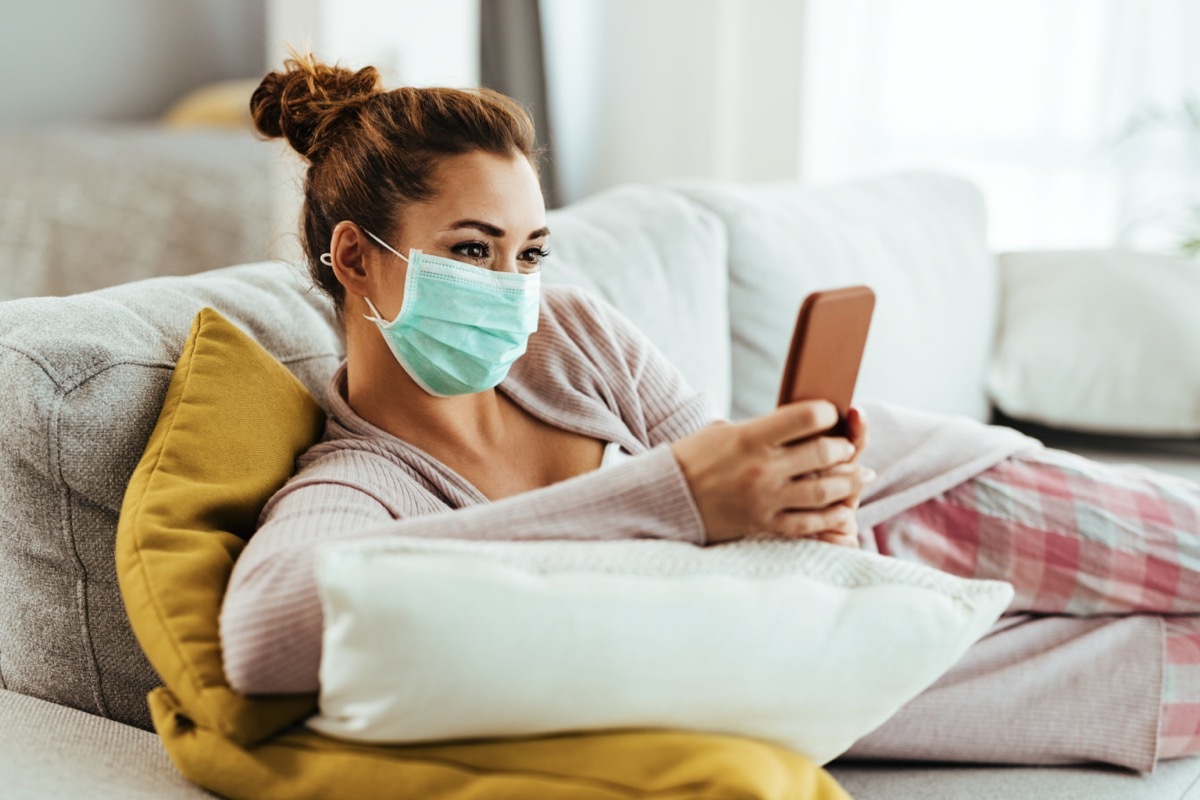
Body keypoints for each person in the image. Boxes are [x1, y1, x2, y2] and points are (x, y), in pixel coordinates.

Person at [221, 54, 1200, 770]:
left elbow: (722, 457)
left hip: (913, 499)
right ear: (355, 259)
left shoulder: (565, 334)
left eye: (529, 252)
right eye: (474, 251)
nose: (513, 289)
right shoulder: (362, 481)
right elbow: (265, 635)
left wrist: (786, 481)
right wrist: (675, 497)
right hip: (832, 642)